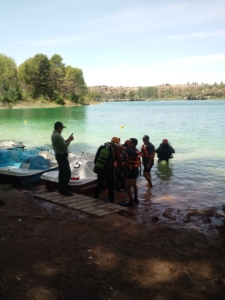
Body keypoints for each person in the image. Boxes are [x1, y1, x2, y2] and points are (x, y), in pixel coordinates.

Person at [112, 138, 141, 207]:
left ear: (133, 144)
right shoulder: (136, 150)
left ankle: (131, 202)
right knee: (134, 184)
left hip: (131, 171)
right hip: (135, 170)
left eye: (130, 142)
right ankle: (136, 198)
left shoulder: (131, 151)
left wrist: (113, 144)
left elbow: (121, 147)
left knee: (128, 187)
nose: (128, 143)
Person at [51, 121, 74, 196]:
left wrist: (68, 139)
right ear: (58, 128)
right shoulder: (57, 136)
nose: (62, 129)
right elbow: (65, 146)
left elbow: (63, 143)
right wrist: (70, 140)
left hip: (59, 155)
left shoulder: (54, 135)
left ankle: (60, 189)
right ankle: (64, 190)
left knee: (62, 173)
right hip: (61, 156)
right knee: (67, 173)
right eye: (61, 128)